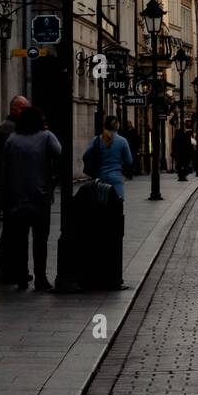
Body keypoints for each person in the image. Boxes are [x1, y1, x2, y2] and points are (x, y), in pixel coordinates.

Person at [1, 106, 60, 291]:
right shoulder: (46, 137)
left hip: (17, 197)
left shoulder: (12, 139)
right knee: (40, 240)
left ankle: (22, 276)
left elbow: (5, 165)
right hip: (40, 196)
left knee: (20, 239)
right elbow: (59, 152)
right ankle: (40, 277)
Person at [71, 116, 133, 290]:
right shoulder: (122, 141)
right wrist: (120, 168)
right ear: (118, 125)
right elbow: (129, 161)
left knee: (99, 222)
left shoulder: (97, 140)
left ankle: (98, 257)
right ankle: (113, 265)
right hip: (116, 184)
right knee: (115, 225)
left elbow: (85, 156)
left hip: (99, 183)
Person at [0, 95, 29, 284]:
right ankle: (8, 272)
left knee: (14, 232)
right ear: (13, 108)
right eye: (22, 108)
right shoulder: (8, 129)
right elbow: (6, 163)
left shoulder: (12, 128)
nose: (24, 112)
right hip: (10, 189)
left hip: (12, 188)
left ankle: (12, 270)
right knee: (11, 232)